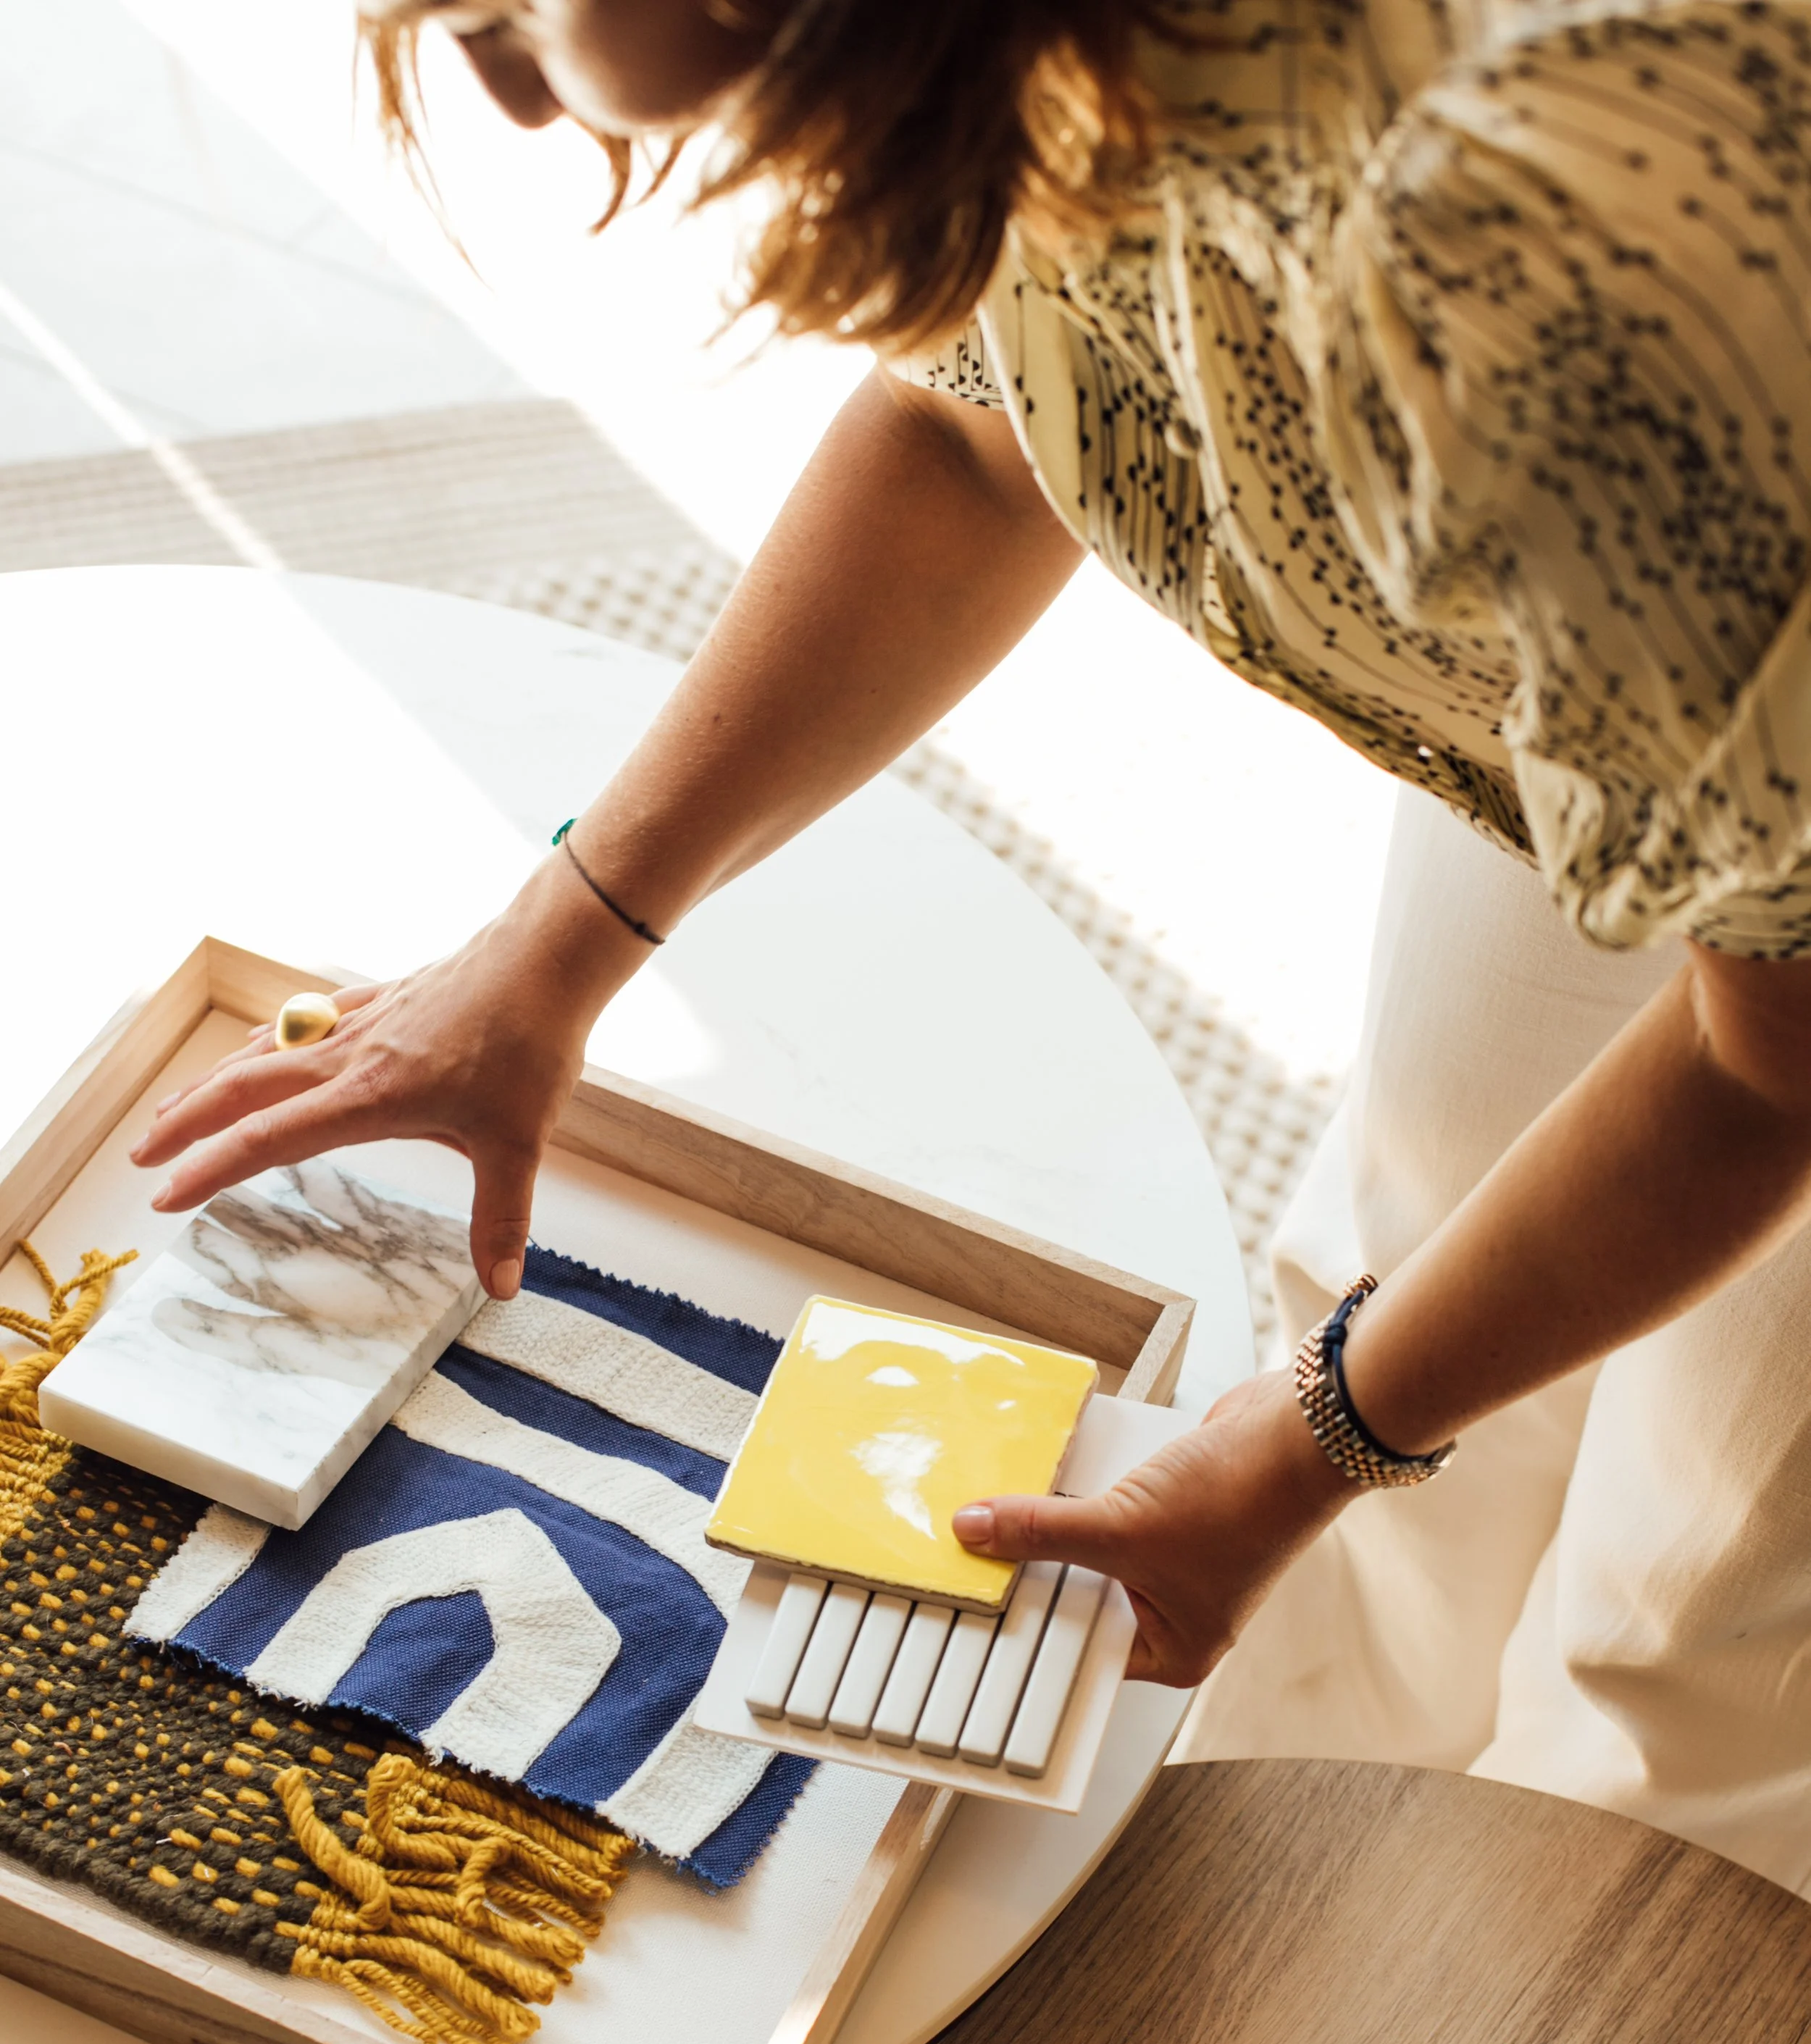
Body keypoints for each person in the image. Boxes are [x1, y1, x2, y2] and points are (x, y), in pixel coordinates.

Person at [133, 0, 1811, 1886]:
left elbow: (1772, 1051)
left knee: (1688, 1640)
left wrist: (1310, 1444)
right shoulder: (1042, 56)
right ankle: (1302, 1906)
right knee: (1392, 1281)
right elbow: (979, 436)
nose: (512, 93)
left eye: (503, 12)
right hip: (1639, 653)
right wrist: (551, 950)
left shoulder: (1522, 227)